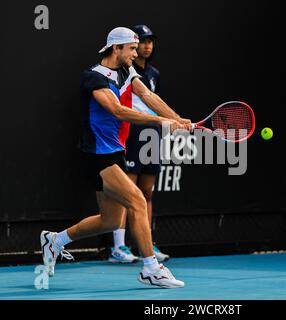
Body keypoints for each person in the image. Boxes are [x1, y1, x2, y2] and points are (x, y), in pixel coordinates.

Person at [40, 27, 190, 288]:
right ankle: (151, 269)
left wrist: (176, 118)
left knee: (109, 220)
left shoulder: (127, 71)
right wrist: (163, 122)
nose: (136, 52)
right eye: (131, 48)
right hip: (97, 156)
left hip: (114, 153)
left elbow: (147, 95)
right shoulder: (93, 77)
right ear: (115, 48)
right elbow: (118, 111)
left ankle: (55, 241)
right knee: (138, 201)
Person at [108, 24, 169, 264]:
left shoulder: (154, 74)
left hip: (152, 132)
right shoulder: (124, 71)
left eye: (150, 41)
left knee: (147, 193)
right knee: (128, 191)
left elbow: (155, 102)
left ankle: (147, 243)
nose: (146, 46)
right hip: (131, 131)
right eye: (141, 42)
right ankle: (118, 247)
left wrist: (173, 120)